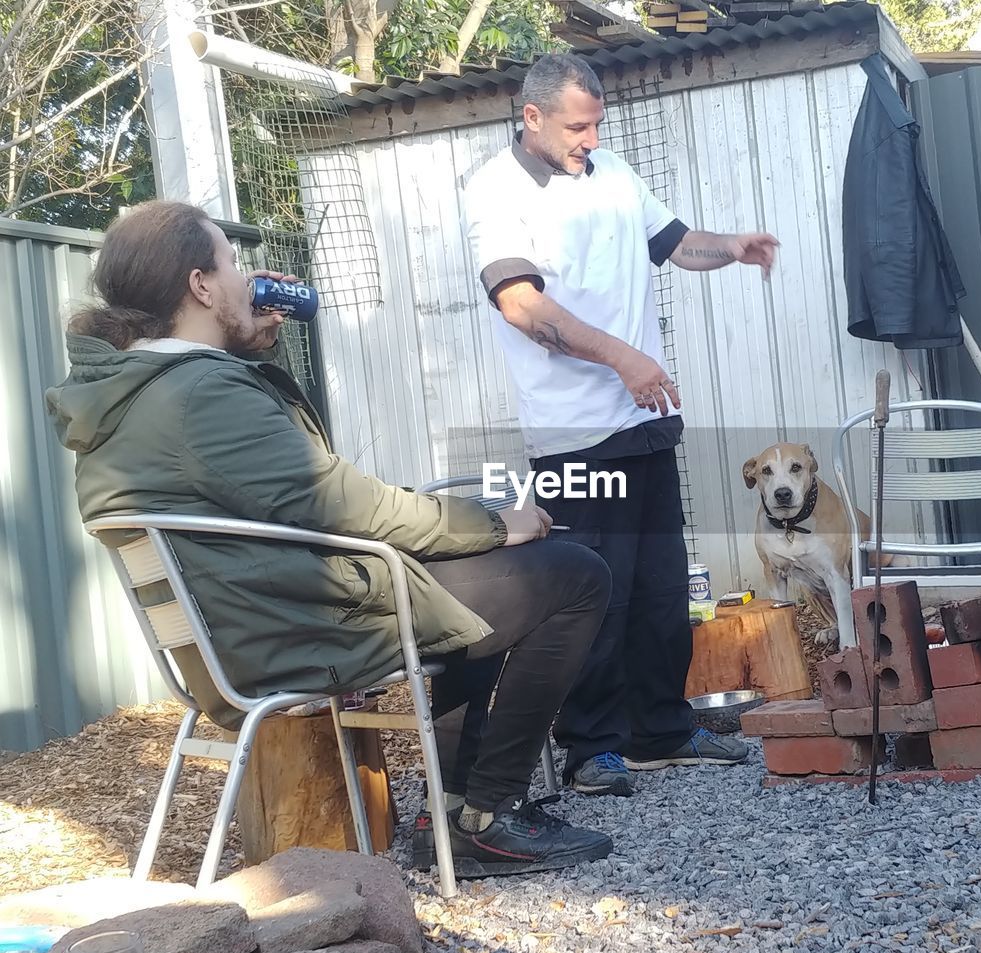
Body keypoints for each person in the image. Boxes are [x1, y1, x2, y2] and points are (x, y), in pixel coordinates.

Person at [44, 199, 615, 878]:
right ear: (199, 286)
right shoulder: (198, 395)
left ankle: (457, 806)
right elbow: (343, 505)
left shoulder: (134, 391)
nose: (246, 277)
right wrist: (492, 520)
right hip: (296, 629)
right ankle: (489, 816)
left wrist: (245, 345)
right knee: (574, 576)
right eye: (229, 263)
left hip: (249, 624)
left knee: (480, 563)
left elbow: (276, 493)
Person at [462, 53, 781, 797]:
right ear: (531, 117)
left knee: (662, 589)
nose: (590, 137)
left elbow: (673, 242)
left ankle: (661, 731)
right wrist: (621, 359)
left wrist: (730, 247)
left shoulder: (613, 173)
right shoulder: (496, 189)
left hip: (643, 421)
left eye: (597, 122)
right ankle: (591, 749)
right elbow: (521, 305)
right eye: (578, 125)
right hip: (574, 430)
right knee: (594, 592)